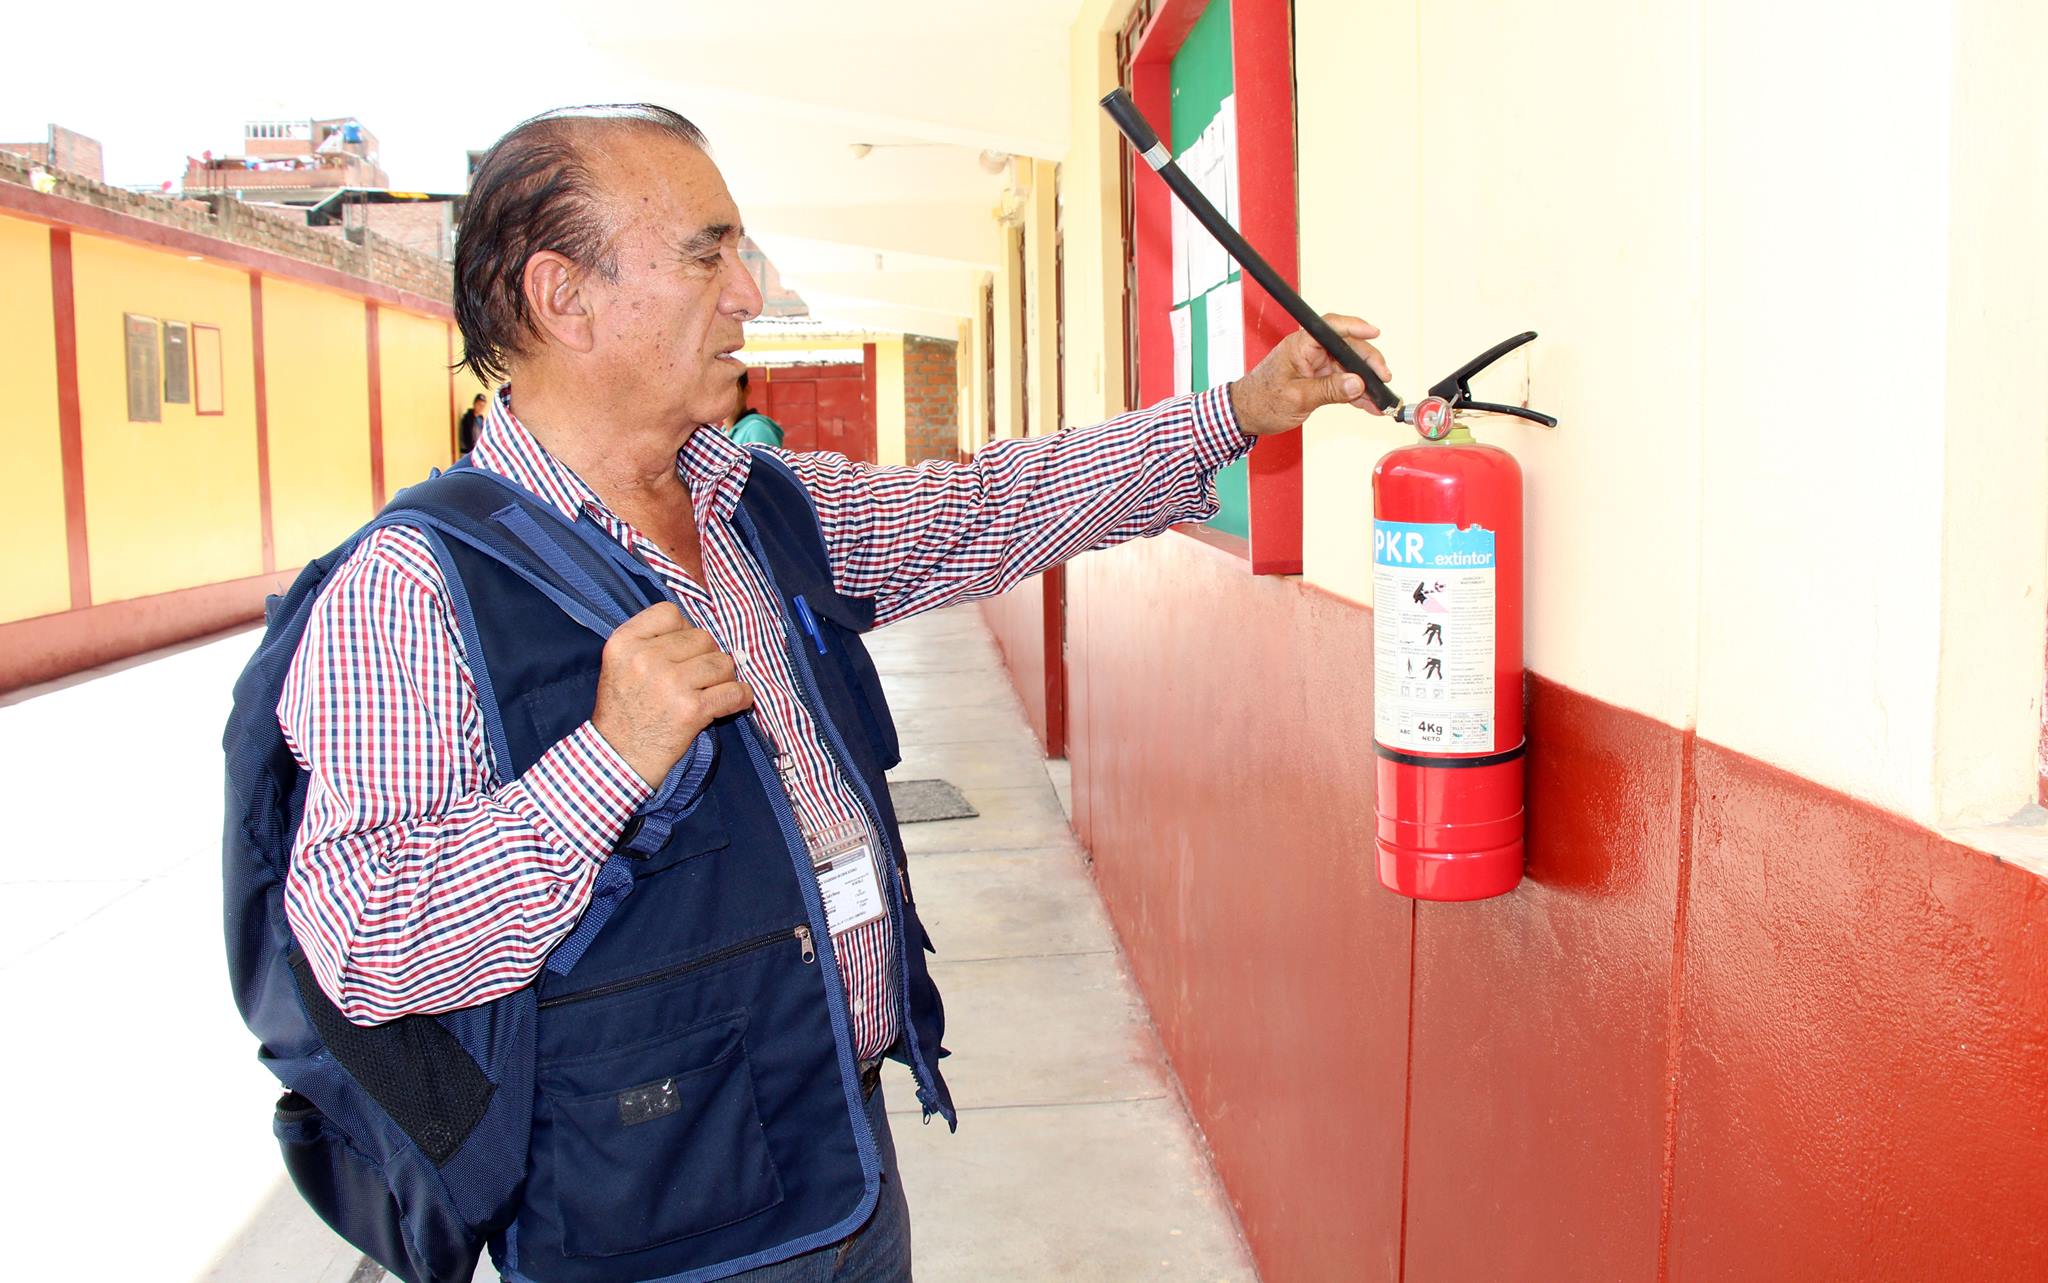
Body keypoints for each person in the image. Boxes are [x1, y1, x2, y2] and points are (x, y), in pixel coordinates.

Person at [277, 103, 1389, 1283]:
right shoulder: (411, 587)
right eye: (708, 253)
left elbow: (989, 509)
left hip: (836, 1150)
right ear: (565, 296)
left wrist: (1239, 412)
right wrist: (605, 762)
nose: (748, 292)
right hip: (651, 1220)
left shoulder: (753, 504)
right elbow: (367, 946)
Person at [727, 369, 785, 446]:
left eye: (730, 389)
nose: (723, 398)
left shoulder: (757, 430)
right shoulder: (724, 431)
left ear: (746, 391)